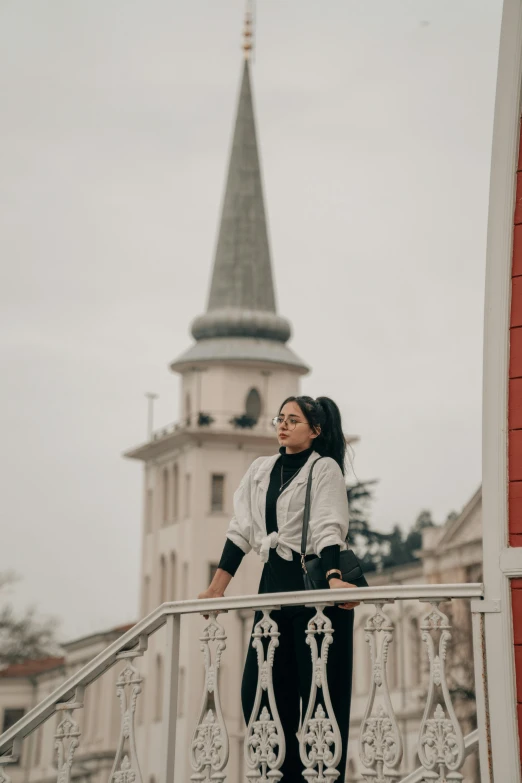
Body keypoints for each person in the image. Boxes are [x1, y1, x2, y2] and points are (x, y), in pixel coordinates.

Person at [198, 395, 358, 780]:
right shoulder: (260, 469)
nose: (283, 425)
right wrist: (216, 588)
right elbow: (240, 531)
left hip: (313, 591)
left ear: (316, 431)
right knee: (260, 692)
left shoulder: (324, 470)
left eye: (294, 420)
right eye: (280, 419)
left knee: (320, 699)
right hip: (272, 587)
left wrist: (334, 577)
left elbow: (327, 526)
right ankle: (281, 775)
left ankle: (320, 775)